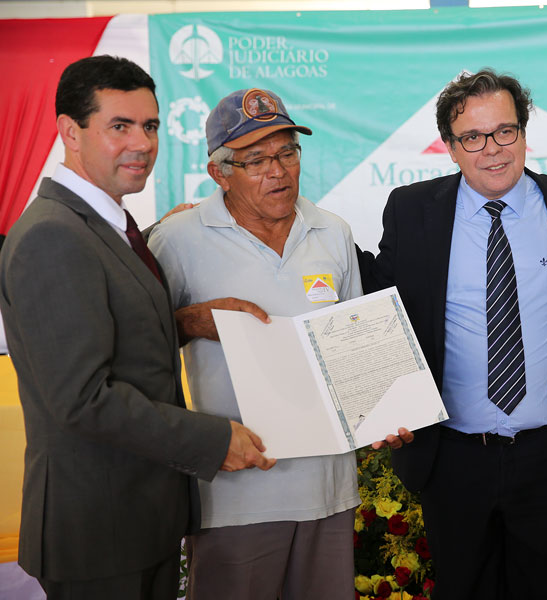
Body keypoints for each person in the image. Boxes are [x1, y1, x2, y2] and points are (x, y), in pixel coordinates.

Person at [0, 56, 275, 600]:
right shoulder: (53, 236)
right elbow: (82, 399)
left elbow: (112, 333)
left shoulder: (107, 224)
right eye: (119, 126)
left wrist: (187, 322)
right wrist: (213, 439)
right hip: (98, 531)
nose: (142, 143)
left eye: (150, 126)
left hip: (135, 519)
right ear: (70, 133)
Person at [357, 68, 547, 599]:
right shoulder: (412, 211)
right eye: (473, 137)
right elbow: (379, 303)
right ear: (450, 147)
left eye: (505, 131)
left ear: (523, 133)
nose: (492, 149)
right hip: (454, 457)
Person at [147, 87, 390, 600]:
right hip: (236, 495)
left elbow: (356, 345)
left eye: (287, 153)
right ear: (219, 173)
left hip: (328, 489)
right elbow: (140, 346)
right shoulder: (179, 239)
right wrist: (190, 321)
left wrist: (386, 412)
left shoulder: (332, 231)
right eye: (256, 160)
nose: (278, 172)